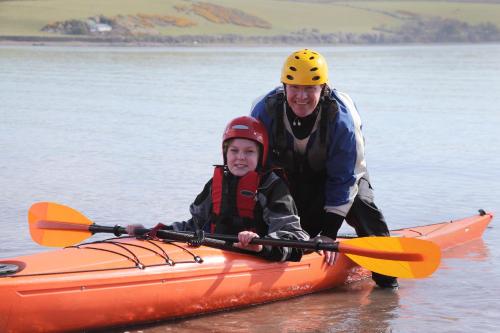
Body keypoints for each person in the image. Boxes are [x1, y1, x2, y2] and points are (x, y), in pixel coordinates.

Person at [250, 49, 398, 288]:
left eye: (310, 88)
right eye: (295, 87)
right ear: (284, 86)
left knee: (361, 206)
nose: (301, 96)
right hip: (295, 177)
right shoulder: (263, 111)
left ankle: (387, 282)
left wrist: (329, 234)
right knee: (284, 216)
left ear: (323, 88)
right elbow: (254, 167)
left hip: (347, 177)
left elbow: (346, 178)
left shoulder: (342, 120)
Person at [128, 116, 309, 262]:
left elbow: (295, 237)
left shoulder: (272, 187)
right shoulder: (215, 184)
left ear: (261, 155)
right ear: (225, 153)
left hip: (258, 258)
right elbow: (194, 226)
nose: (240, 157)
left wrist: (261, 246)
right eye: (234, 151)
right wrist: (153, 231)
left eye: (249, 151)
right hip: (215, 256)